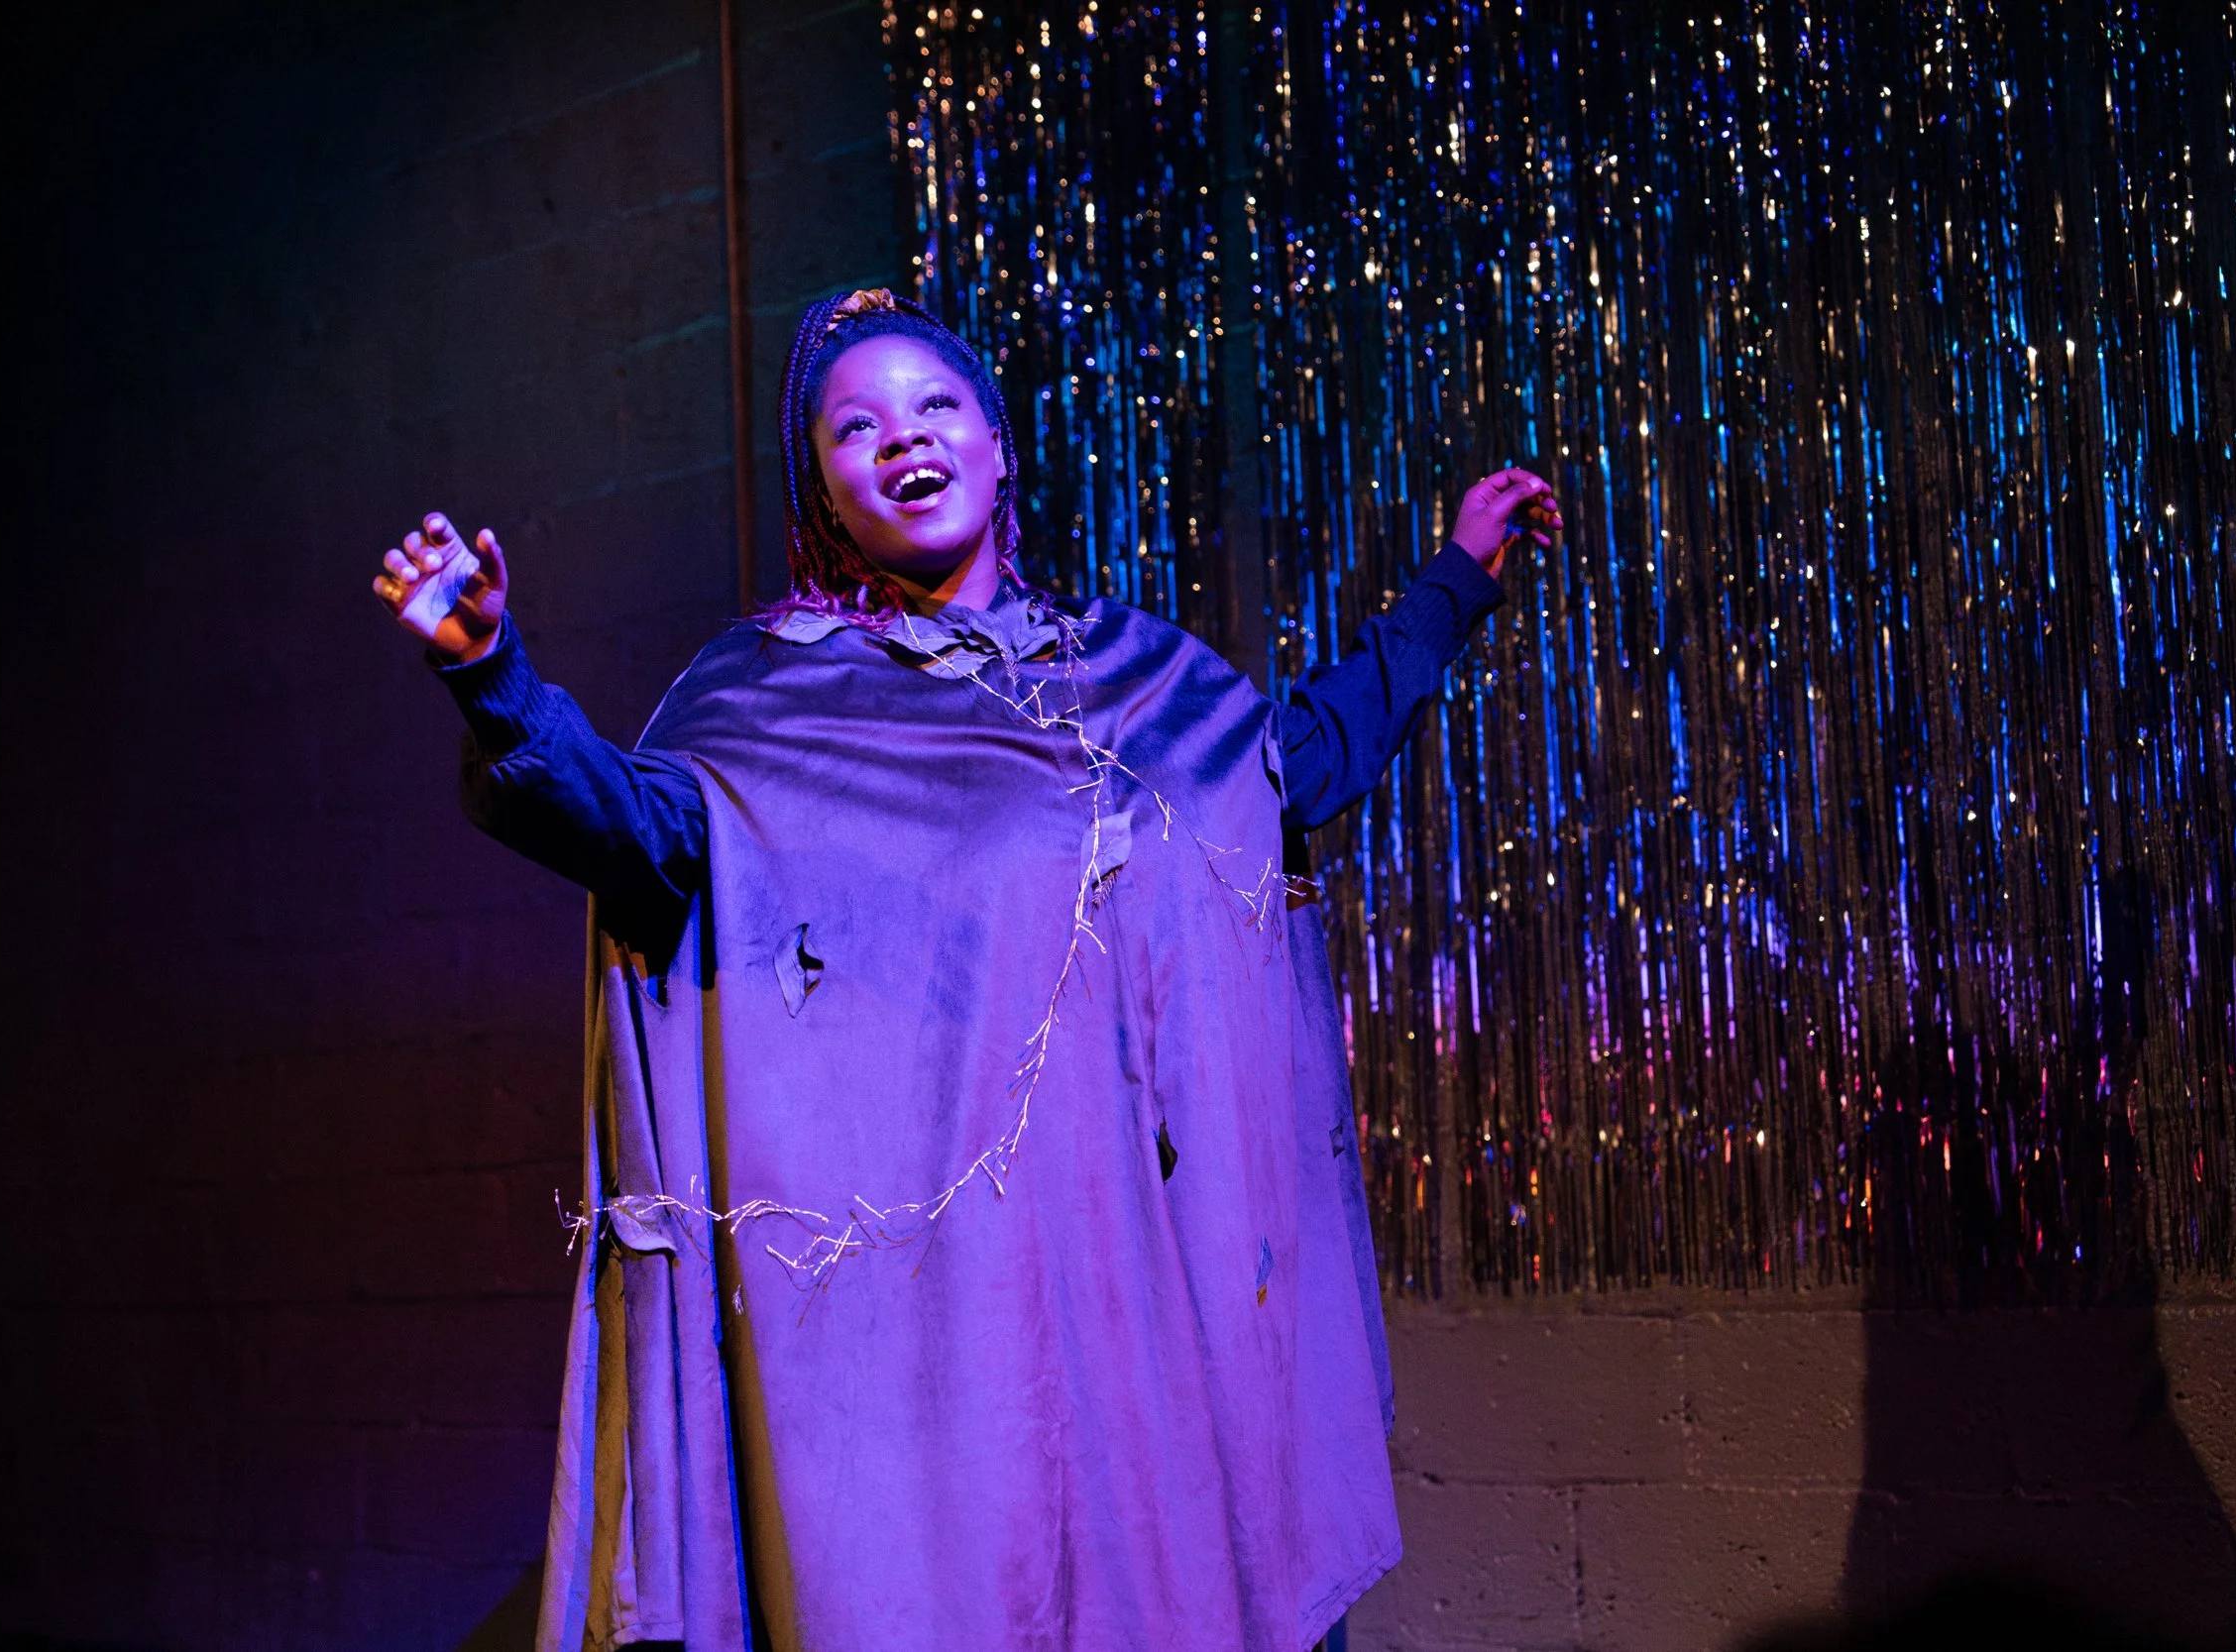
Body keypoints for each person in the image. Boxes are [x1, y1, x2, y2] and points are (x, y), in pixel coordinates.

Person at [374, 288, 1561, 1652]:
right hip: (923, 1339)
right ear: (821, 491)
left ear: (996, 444)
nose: (902, 439)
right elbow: (635, 831)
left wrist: (1455, 582)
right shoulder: (766, 705)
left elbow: (1300, 763)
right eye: (854, 428)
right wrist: (494, 679)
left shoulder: (1137, 681)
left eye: (934, 406)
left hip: (1133, 1299)